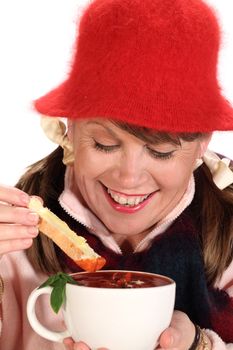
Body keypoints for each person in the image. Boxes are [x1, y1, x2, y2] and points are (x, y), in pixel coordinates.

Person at [0, 0, 233, 349]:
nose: (128, 178)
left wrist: (201, 344)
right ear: (71, 130)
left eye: (160, 151)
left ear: (202, 143)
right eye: (104, 144)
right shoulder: (12, 244)